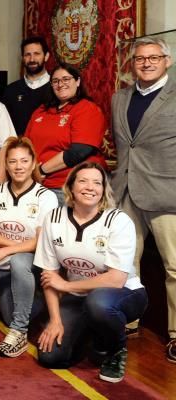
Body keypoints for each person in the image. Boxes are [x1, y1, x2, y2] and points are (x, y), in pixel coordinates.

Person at [36, 162, 147, 383]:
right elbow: (49, 275)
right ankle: (93, 334)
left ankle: (116, 350)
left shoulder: (118, 220)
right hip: (80, 297)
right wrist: (55, 320)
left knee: (99, 302)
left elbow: (116, 280)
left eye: (97, 182)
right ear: (71, 187)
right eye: (83, 181)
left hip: (123, 294)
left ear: (104, 189)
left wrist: (66, 286)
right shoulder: (54, 218)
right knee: (51, 357)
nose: (90, 187)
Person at [111, 37, 176, 361]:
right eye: (140, 58)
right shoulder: (119, 98)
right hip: (125, 191)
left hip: (167, 194)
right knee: (125, 262)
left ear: (167, 61)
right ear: (132, 64)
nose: (146, 63)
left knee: (175, 267)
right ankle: (129, 319)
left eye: (154, 57)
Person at [0, 137, 58, 357]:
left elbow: (41, 242)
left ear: (33, 163)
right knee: (8, 314)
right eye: (12, 161)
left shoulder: (46, 197)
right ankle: (42, 302)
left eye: (24, 161)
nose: (18, 166)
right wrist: (17, 245)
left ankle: (19, 332)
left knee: (19, 259)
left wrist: (7, 250)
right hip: (4, 267)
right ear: (5, 165)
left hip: (32, 263)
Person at [25, 64, 106, 204]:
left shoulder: (87, 109)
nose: (60, 84)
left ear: (78, 81)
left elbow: (79, 151)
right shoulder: (41, 110)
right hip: (37, 186)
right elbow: (25, 145)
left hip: (67, 187)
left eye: (66, 79)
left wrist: (42, 171)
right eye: (55, 81)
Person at [2, 37, 52, 136]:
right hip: (18, 148)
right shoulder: (11, 90)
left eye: (37, 54)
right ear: (22, 58)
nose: (32, 59)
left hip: (49, 149)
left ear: (46, 56)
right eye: (27, 55)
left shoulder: (57, 88)